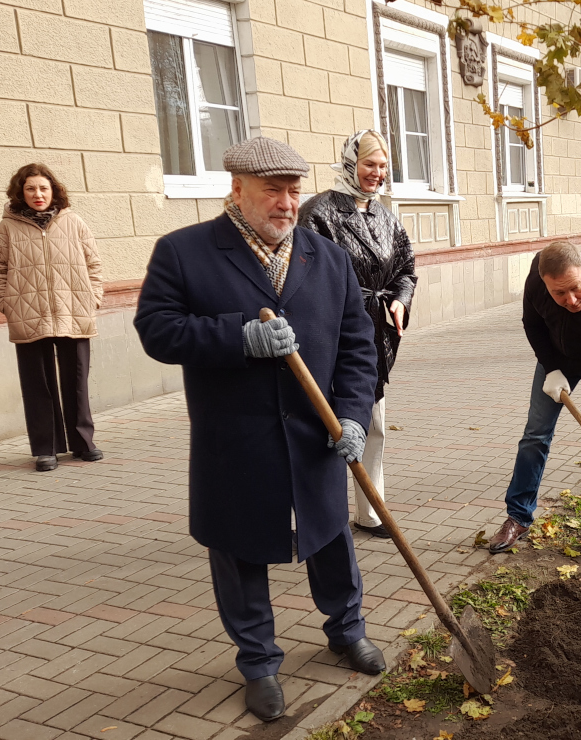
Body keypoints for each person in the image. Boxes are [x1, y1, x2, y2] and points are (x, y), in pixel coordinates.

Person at [134, 137, 386, 722]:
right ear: (238, 189)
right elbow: (156, 329)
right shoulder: (184, 252)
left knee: (329, 536)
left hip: (316, 432)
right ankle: (258, 662)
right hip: (236, 439)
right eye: (272, 190)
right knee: (239, 547)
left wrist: (350, 413)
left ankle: (347, 630)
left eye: (294, 190)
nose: (287, 203)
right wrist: (236, 335)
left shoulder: (327, 258)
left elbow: (357, 347)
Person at [487, 242, 581, 565]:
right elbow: (533, 324)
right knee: (535, 434)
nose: (570, 300)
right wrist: (551, 366)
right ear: (544, 282)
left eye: (576, 289)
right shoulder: (536, 278)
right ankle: (519, 516)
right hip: (558, 358)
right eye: (559, 294)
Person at [299, 130, 418, 539]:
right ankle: (314, 518)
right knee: (324, 427)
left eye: (383, 166)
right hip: (330, 333)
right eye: (370, 164)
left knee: (373, 425)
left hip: (378, 335)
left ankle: (371, 512)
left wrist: (400, 299)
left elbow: (406, 269)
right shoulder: (318, 211)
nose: (377, 174)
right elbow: (303, 277)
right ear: (351, 162)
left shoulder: (386, 215)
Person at [0, 164, 104, 472]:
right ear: (20, 193)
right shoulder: (8, 228)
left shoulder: (73, 221)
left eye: (43, 188)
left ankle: (83, 443)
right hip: (28, 313)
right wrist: (6, 302)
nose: (37, 194)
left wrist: (93, 297)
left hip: (73, 309)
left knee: (76, 380)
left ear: (53, 191)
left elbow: (93, 263)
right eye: (30, 189)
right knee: (37, 384)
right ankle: (45, 449)